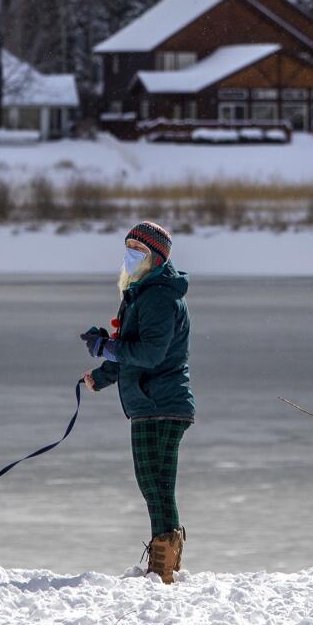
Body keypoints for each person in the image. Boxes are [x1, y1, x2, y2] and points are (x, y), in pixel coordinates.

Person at [83, 220, 195, 582]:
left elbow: (148, 355)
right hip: (151, 402)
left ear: (157, 257)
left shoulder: (159, 296)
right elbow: (130, 357)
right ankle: (164, 562)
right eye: (129, 246)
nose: (131, 254)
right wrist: (98, 376)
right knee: (154, 482)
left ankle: (163, 566)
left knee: (156, 483)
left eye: (140, 249)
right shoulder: (141, 294)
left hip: (160, 403)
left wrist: (108, 346)